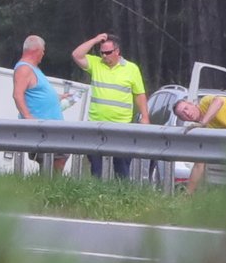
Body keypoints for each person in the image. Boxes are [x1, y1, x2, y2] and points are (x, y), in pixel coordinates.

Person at [71, 33, 150, 178]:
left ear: (117, 51)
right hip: (96, 124)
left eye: (108, 52)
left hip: (122, 125)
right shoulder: (95, 64)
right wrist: (95, 40)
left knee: (122, 166)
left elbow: (139, 94)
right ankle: (97, 193)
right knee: (96, 166)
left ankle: (123, 195)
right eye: (102, 52)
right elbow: (76, 54)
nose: (104, 56)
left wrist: (145, 116)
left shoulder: (131, 69)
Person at [11, 35, 69, 173]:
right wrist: (28, 118)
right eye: (43, 50)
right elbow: (17, 95)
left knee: (59, 156)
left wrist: (58, 98)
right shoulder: (24, 68)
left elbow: (37, 93)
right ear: (36, 50)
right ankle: (48, 187)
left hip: (51, 126)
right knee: (55, 158)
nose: (43, 53)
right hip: (41, 127)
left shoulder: (34, 69)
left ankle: (48, 186)